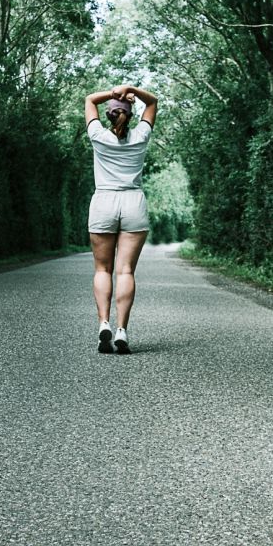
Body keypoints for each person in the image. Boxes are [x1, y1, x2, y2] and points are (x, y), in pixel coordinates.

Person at [84, 83, 158, 354]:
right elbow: (153, 103)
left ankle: (103, 322)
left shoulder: (98, 136)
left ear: (110, 115)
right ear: (129, 114)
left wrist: (113, 93)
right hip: (132, 202)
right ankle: (121, 329)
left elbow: (90, 99)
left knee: (102, 269)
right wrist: (132, 90)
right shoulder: (140, 136)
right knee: (125, 270)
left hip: (103, 202)